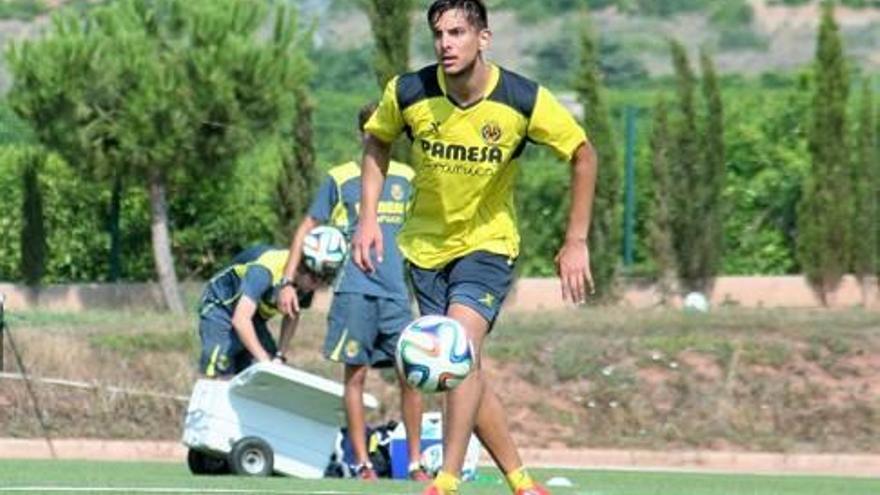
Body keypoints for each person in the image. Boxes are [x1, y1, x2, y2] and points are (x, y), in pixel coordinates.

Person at [350, 1, 598, 494]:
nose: (446, 43)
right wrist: (368, 218)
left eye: (458, 32)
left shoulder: (522, 98)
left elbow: (582, 153)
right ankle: (522, 481)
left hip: (488, 244)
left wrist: (576, 240)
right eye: (439, 33)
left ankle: (447, 478)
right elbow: (377, 141)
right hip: (424, 249)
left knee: (456, 350)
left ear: (483, 38)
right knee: (463, 369)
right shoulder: (408, 91)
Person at [278, 103, 429, 482]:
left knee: (411, 376)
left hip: (396, 295)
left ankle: (415, 463)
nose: (377, 137)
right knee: (356, 377)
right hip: (353, 293)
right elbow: (307, 226)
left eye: (385, 131)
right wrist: (287, 280)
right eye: (371, 131)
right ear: (361, 133)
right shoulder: (340, 178)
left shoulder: (408, 178)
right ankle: (361, 463)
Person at [197, 245, 326, 378]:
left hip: (253, 314)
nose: (318, 285)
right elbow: (241, 320)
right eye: (316, 279)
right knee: (219, 361)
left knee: (268, 371)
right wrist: (264, 360)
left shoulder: (308, 284)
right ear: (301, 268)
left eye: (326, 279)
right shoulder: (264, 271)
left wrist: (280, 356)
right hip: (222, 305)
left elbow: (292, 315)